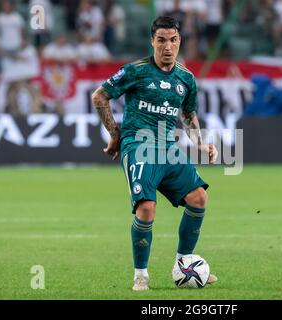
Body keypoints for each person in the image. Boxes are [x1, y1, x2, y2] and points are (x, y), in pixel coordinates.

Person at [91, 16, 218, 290]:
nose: (167, 47)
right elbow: (99, 95)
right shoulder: (135, 71)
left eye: (173, 40)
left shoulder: (186, 78)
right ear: (152, 41)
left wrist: (200, 143)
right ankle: (141, 275)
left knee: (199, 197)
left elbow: (188, 113)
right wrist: (115, 133)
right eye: (161, 40)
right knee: (147, 209)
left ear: (179, 41)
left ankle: (184, 264)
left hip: (168, 149)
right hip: (138, 146)